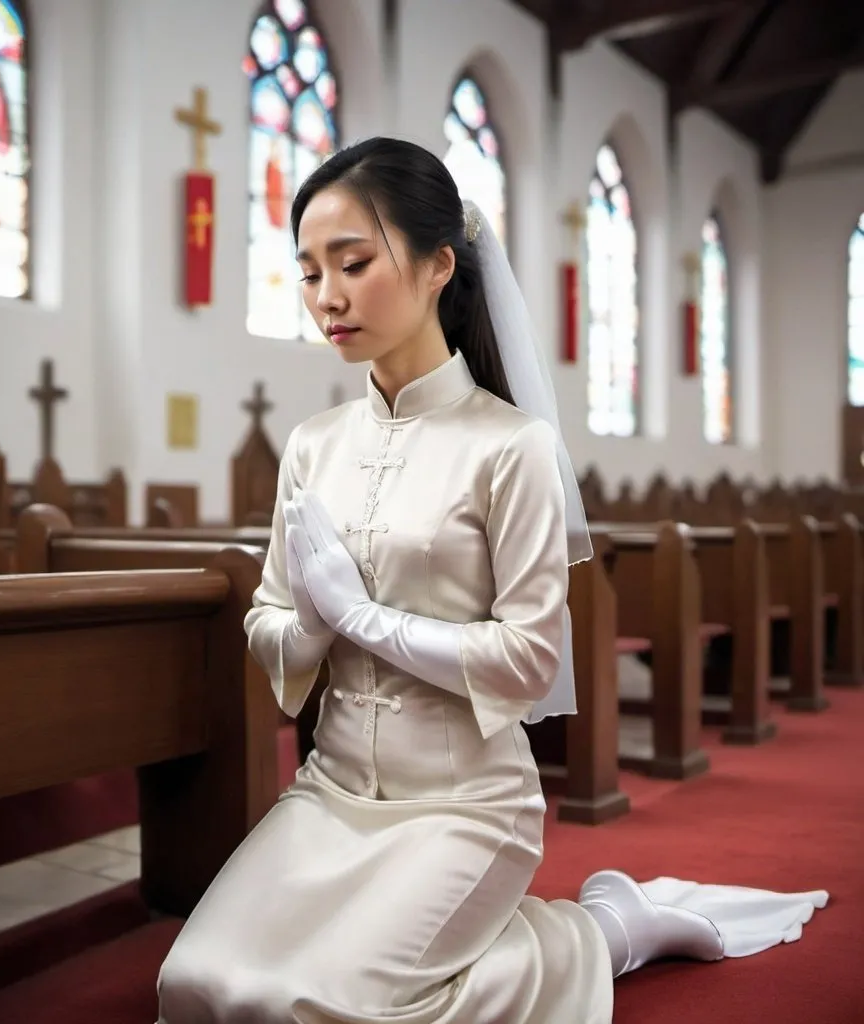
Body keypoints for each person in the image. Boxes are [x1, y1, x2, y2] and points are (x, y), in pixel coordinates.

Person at [157, 137, 827, 1023]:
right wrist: (313, 624)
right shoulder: (314, 446)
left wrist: (360, 616)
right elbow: (270, 626)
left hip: (465, 803)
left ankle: (601, 935)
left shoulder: (512, 447)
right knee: (196, 990)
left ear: (440, 264)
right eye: (310, 271)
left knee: (314, 1009)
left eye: (353, 263)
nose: (328, 296)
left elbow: (525, 660)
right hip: (332, 791)